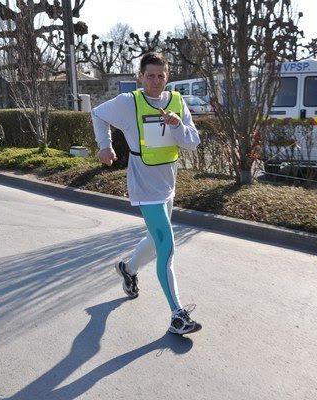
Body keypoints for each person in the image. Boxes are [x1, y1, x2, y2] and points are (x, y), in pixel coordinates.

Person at [91, 52, 202, 335]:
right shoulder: (129, 102)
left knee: (155, 238)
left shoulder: (176, 101)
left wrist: (178, 125)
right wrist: (105, 145)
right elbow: (97, 114)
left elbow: (193, 142)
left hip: (168, 183)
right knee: (167, 246)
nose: (155, 81)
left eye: (160, 76)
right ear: (140, 77)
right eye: (150, 76)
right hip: (144, 184)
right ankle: (177, 315)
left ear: (167, 77)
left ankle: (128, 269)